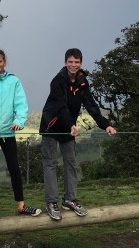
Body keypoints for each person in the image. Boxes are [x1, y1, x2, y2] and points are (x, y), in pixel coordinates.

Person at [39, 48, 116, 221]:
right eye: (70, 61)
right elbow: (61, 106)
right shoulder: (57, 81)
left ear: (81, 63)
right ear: (65, 62)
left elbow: (91, 105)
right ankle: (51, 202)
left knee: (71, 163)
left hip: (69, 127)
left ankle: (69, 199)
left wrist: (106, 125)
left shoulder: (82, 82)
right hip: (51, 126)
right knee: (50, 165)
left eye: (77, 62)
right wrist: (71, 125)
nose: (73, 65)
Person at [0, 48, 41, 222]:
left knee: (14, 168)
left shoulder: (14, 81)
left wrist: (19, 120)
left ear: (5, 62)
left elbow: (21, 103)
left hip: (8, 131)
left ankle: (21, 206)